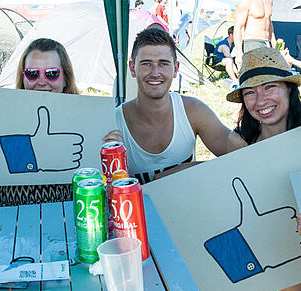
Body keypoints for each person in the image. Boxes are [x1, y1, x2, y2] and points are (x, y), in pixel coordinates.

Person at [218, 48, 301, 291]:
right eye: (250, 93)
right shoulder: (239, 146)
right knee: (220, 285)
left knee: (249, 287)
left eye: (270, 87)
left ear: (290, 91)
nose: (261, 100)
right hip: (258, 254)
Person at [103, 26, 244, 184]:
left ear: (175, 69)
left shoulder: (193, 111)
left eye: (163, 64)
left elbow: (241, 156)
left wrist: (186, 169)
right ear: (132, 68)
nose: (155, 72)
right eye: (146, 64)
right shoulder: (112, 123)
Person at [0, 38, 79, 207]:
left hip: (68, 222)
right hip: (4, 225)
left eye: (52, 73)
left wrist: (111, 152)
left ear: (66, 78)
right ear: (23, 77)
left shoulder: (83, 119)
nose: (41, 81)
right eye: (32, 73)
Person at [232, 0, 277, 68]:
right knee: (257, 76)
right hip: (252, 42)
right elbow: (238, 28)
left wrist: (274, 42)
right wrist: (239, 53)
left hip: (267, 42)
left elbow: (269, 22)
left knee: (269, 74)